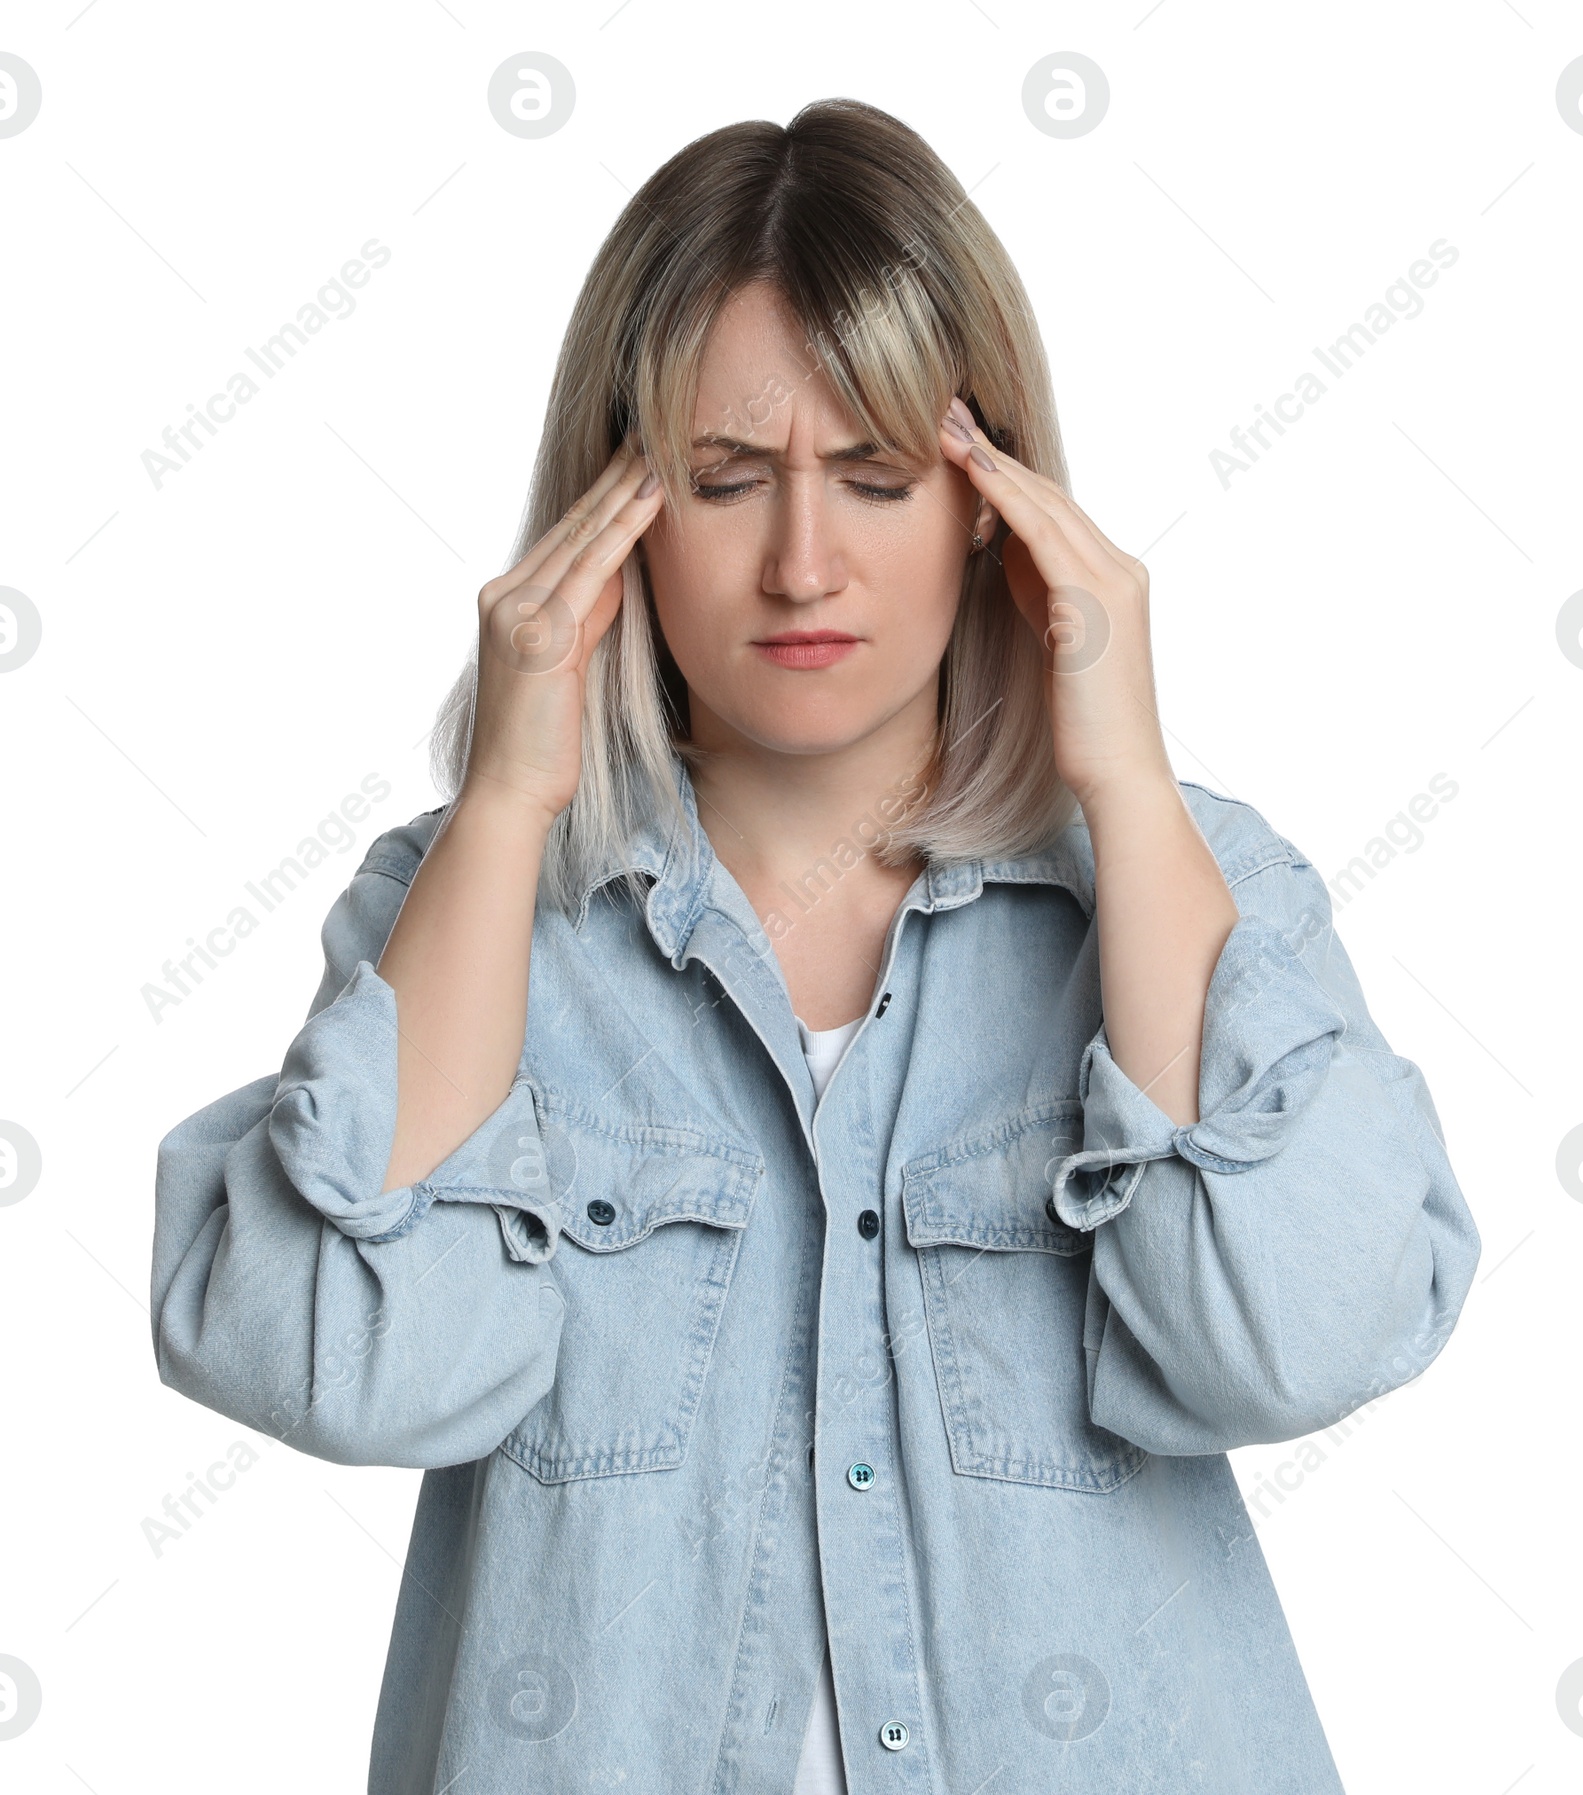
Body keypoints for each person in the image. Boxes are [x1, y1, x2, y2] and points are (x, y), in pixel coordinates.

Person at [150, 98, 1481, 1793]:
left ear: (990, 502)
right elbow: (354, 1368)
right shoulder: (473, 912)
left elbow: (1294, 1340)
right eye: (722, 481)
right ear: (611, 510)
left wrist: (1125, 783)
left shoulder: (1188, 882)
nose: (800, 564)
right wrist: (504, 804)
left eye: (875, 476)